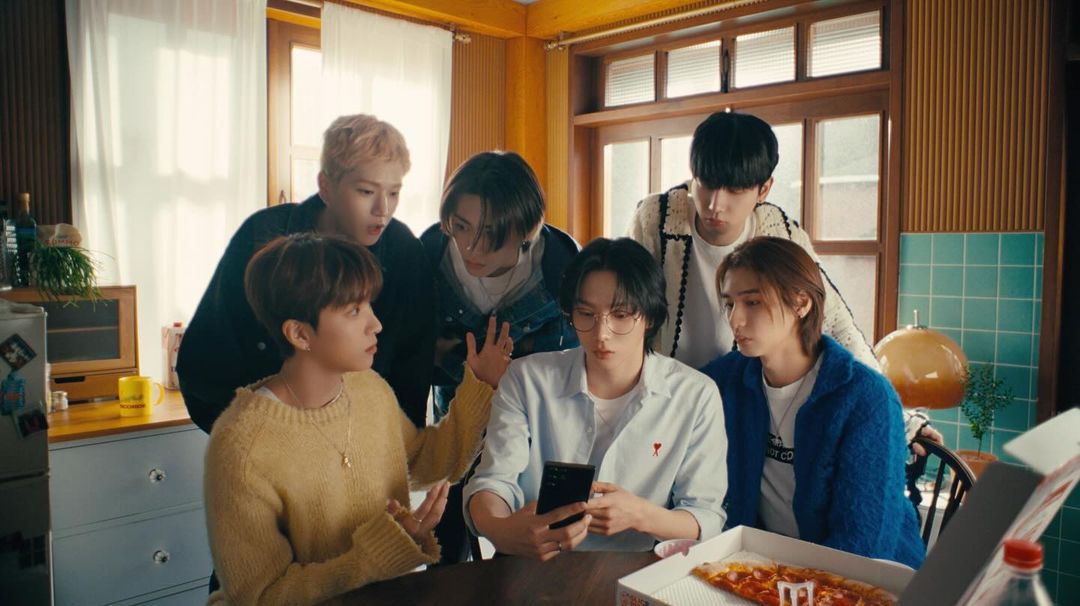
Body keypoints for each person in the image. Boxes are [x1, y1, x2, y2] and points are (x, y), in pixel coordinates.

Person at [203, 234, 511, 604]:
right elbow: (260, 597)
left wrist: (480, 387)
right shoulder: (242, 445)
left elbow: (422, 461)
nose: (375, 324)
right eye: (353, 311)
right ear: (299, 333)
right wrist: (378, 554)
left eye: (369, 305)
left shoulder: (367, 387)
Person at [627, 110, 941, 454]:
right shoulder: (656, 218)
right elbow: (625, 307)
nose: (716, 204)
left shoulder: (781, 233)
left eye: (734, 189)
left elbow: (837, 324)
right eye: (706, 183)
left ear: (764, 189)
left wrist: (900, 421)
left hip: (737, 404)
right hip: (661, 397)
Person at [464, 238, 727, 558]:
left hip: (636, 569)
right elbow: (493, 482)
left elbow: (706, 517)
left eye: (621, 315)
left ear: (649, 317)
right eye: (586, 313)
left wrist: (640, 515)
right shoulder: (527, 379)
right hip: (534, 562)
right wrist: (501, 530)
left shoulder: (695, 395)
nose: (601, 333)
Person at [179, 114, 435, 432]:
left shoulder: (404, 252)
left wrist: (394, 451)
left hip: (364, 444)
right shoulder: (262, 236)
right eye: (366, 191)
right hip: (264, 438)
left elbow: (412, 375)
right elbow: (206, 362)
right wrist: (250, 439)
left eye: (394, 193)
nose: (383, 209)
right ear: (326, 186)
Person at [700, 237, 924, 568]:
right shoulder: (725, 380)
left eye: (753, 302)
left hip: (870, 575)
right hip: (762, 563)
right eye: (730, 304)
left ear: (801, 302)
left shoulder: (864, 397)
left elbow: (865, 540)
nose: (735, 320)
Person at [419, 150, 580, 562]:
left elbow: (569, 373)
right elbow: (413, 357)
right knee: (446, 540)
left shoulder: (563, 268)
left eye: (491, 233)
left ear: (527, 228)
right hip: (456, 416)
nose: (471, 246)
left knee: (535, 547)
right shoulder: (428, 255)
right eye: (461, 226)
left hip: (538, 427)